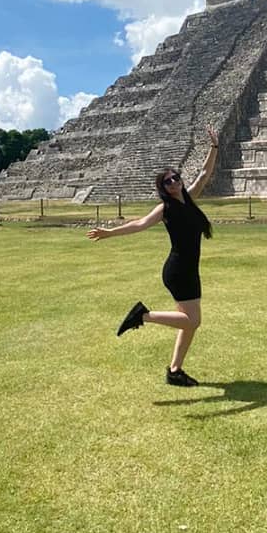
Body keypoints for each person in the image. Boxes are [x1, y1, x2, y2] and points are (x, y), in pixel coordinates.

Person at [87, 128, 219, 387]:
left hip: (190, 270)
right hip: (178, 270)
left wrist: (214, 147)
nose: (173, 182)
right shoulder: (165, 208)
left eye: (175, 178)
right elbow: (140, 224)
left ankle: (175, 371)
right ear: (163, 188)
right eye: (167, 182)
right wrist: (110, 232)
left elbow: (204, 174)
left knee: (188, 325)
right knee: (193, 321)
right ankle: (142, 316)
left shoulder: (190, 199)